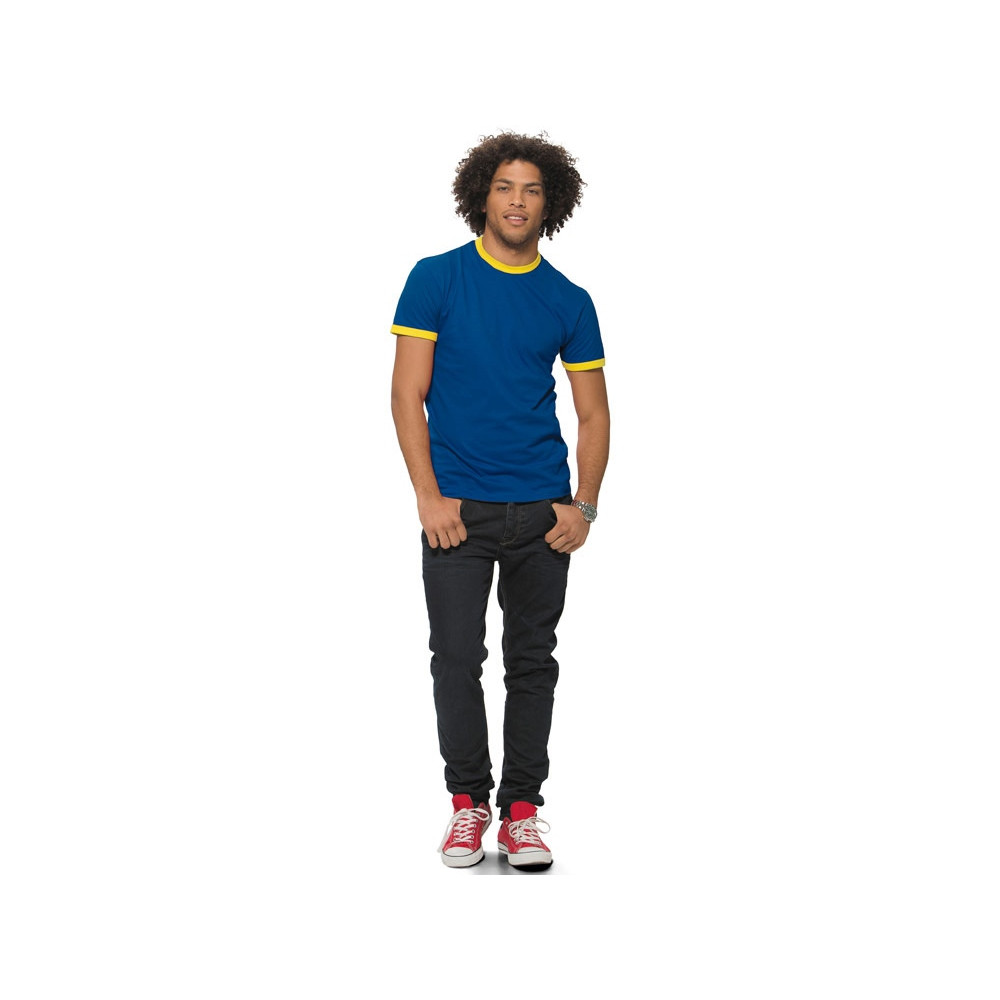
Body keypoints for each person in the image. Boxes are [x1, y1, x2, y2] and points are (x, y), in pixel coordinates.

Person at [390, 132, 610, 869]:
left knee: (532, 662)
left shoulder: (569, 299)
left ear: (551, 204)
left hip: (543, 512)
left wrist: (583, 504)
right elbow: (407, 394)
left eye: (532, 190)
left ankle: (521, 812)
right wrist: (429, 497)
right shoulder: (436, 278)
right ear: (481, 195)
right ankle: (467, 805)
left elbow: (593, 413)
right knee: (455, 659)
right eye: (505, 187)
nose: (518, 202)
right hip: (457, 510)